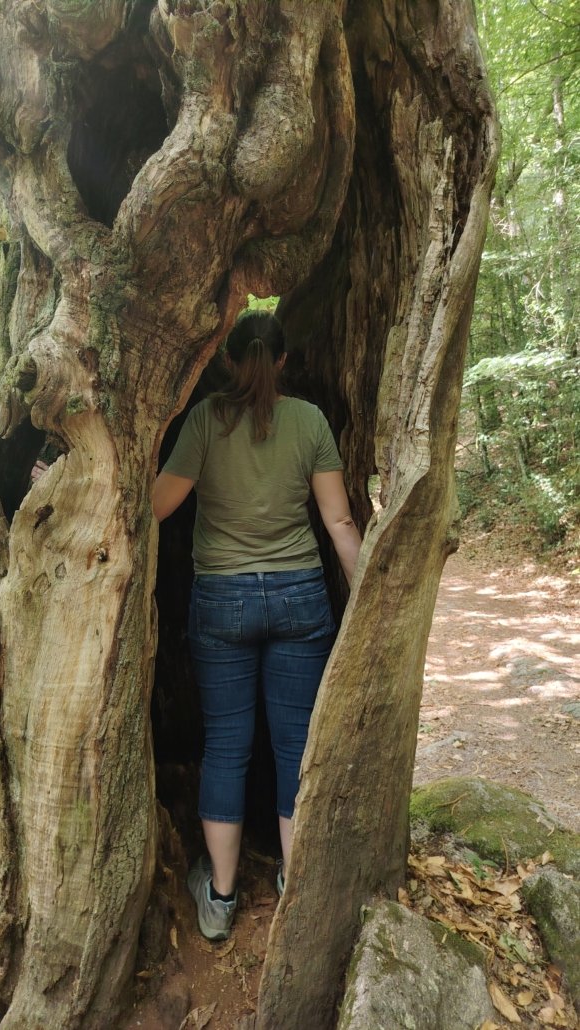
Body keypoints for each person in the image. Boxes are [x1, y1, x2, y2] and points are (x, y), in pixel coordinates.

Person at [153, 311, 362, 942]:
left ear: (228, 360)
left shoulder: (205, 420)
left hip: (223, 601)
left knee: (226, 746)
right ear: (283, 360)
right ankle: (294, 886)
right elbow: (339, 523)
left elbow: (158, 506)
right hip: (299, 598)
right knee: (296, 746)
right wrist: (368, 599)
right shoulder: (310, 421)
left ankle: (219, 899)